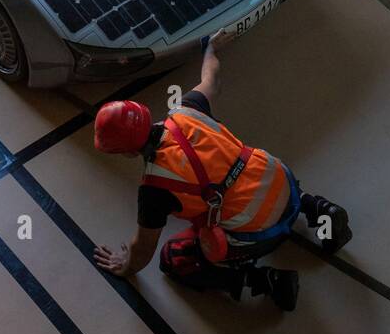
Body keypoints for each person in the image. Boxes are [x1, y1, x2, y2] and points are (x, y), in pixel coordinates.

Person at [93, 35, 350, 311]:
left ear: (127, 152)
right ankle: (318, 209)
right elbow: (211, 78)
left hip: (261, 231)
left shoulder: (154, 189)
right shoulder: (186, 110)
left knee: (174, 259)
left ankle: (267, 281)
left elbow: (143, 248)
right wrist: (210, 48)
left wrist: (127, 266)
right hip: (283, 182)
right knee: (251, 174)